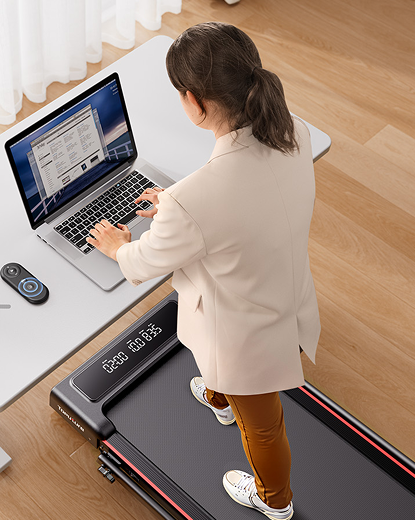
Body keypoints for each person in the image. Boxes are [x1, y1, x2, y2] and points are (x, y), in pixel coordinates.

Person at [86, 22, 320, 520]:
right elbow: (244, 197)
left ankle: (275, 501)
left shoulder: (197, 198)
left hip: (249, 333)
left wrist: (117, 245)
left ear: (193, 101)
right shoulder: (293, 129)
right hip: (284, 285)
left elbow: (143, 263)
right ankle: (217, 399)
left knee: (263, 426)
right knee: (204, 346)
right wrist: (175, 204)